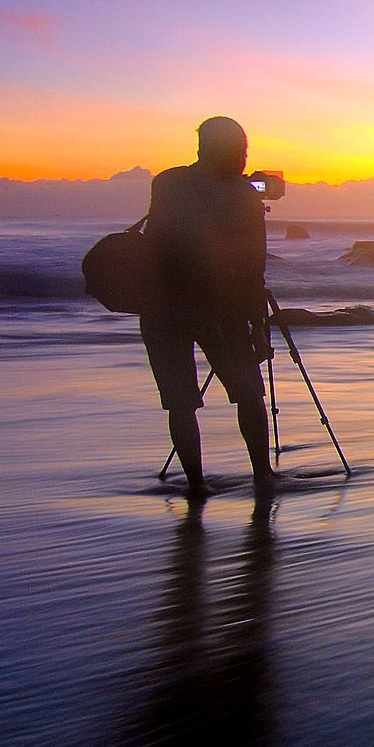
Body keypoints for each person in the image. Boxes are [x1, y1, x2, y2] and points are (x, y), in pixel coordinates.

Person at [142, 115, 275, 495]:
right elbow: (254, 266)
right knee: (249, 392)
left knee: (181, 402)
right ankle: (262, 475)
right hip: (220, 307)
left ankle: (196, 486)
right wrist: (258, 326)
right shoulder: (243, 197)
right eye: (241, 150)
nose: (244, 158)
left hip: (160, 306)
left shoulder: (167, 183)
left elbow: (159, 240)